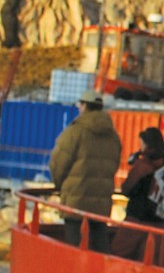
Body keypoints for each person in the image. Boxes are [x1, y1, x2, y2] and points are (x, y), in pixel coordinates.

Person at [47, 94, 122, 224]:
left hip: (76, 203)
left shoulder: (74, 132)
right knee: (98, 240)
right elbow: (114, 165)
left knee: (73, 241)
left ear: (85, 106)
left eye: (80, 105)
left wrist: (61, 186)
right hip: (101, 204)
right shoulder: (113, 136)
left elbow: (57, 164)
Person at [120, 125, 164, 228]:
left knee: (119, 244)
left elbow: (125, 189)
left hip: (137, 220)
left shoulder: (142, 165)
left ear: (147, 145)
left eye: (141, 143)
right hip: (158, 222)